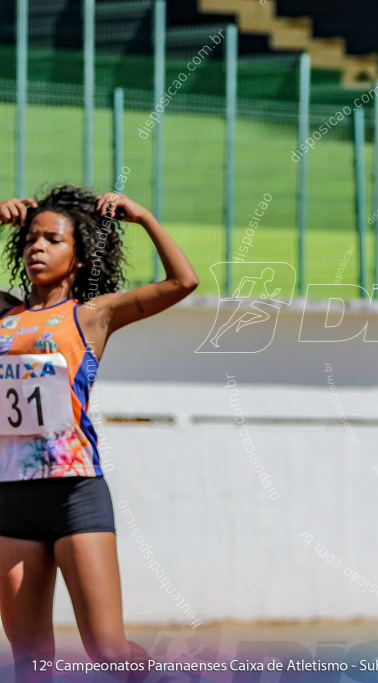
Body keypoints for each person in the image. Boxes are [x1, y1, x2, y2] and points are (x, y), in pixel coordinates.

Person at [0, 186, 199, 682]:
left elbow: (183, 281)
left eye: (52, 239)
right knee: (30, 658)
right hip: (10, 498)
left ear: (80, 255)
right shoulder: (3, 315)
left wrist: (145, 217)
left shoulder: (92, 316)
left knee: (107, 651)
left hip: (75, 493)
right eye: (30, 239)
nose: (36, 247)